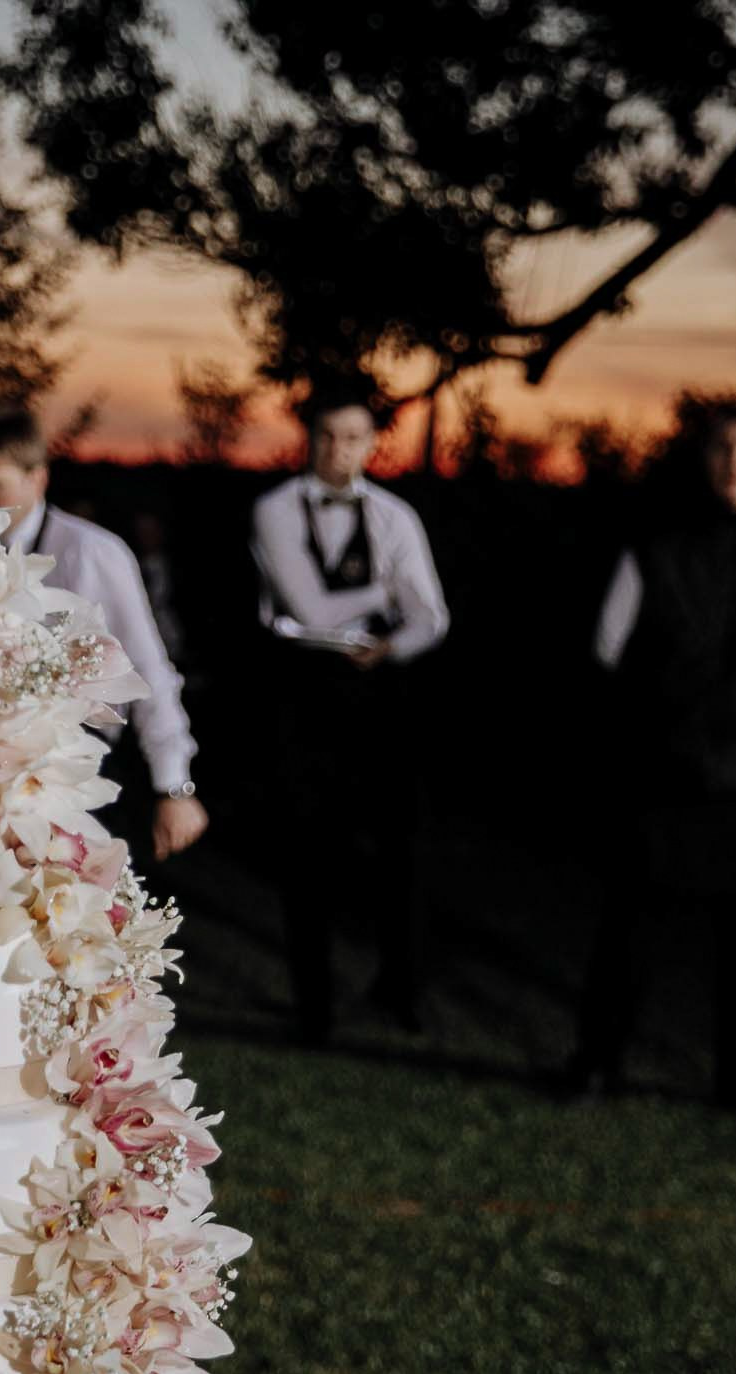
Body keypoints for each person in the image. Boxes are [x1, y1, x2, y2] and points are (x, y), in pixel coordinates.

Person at [563, 400, 736, 1112]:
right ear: (704, 458)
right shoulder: (657, 543)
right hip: (665, 766)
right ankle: (597, 1061)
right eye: (722, 449)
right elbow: (610, 644)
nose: (735, 463)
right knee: (630, 929)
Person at [250, 382, 449, 1041]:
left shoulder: (396, 517)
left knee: (405, 851)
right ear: (310, 438)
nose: (340, 450)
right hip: (300, 694)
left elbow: (431, 618)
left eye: (354, 437)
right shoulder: (274, 509)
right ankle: (315, 1007)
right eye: (328, 436)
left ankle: (403, 990)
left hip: (380, 696)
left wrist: (393, 644)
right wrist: (382, 589)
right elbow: (308, 611)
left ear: (373, 442)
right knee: (309, 856)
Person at [0, 409, 209, 863]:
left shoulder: (94, 552)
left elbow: (148, 667)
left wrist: (175, 784)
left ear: (38, 479)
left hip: (87, 768)